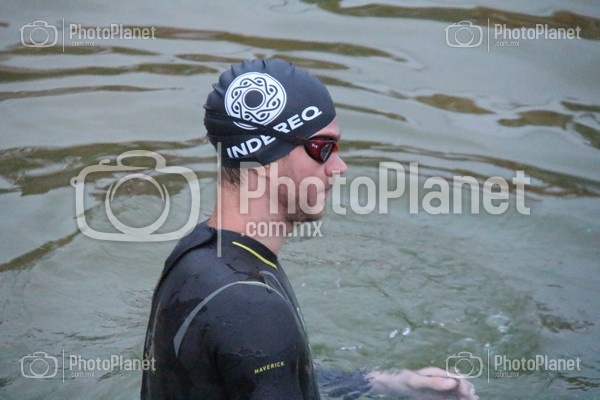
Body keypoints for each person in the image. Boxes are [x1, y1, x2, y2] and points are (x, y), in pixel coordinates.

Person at [141, 58, 478, 400]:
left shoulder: (198, 255)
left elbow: (248, 372)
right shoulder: (252, 306)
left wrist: (381, 384)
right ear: (265, 157)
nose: (339, 166)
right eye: (323, 148)